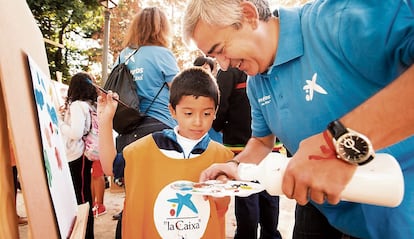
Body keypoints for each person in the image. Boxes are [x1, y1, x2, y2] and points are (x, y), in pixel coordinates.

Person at [182, 0, 414, 239]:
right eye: (212, 56)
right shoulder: (256, 84)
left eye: (220, 49)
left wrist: (335, 143)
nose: (223, 64)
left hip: (397, 208)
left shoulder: (338, 19)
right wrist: (234, 167)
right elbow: (262, 142)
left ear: (248, 15)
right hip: (324, 207)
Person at [98, 67, 234, 238]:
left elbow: (222, 206)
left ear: (215, 112)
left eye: (206, 113)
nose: (198, 121)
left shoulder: (221, 158)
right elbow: (110, 167)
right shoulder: (145, 149)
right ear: (172, 111)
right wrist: (105, 121)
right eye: (189, 113)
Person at [107, 6, 180, 228]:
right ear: (162, 28)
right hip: (159, 129)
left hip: (128, 132)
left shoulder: (124, 55)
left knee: (134, 196)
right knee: (161, 195)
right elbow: (180, 93)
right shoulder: (163, 55)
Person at [213, 67, 282, 239]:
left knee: (258, 199)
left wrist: (220, 126)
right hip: (252, 146)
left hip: (252, 144)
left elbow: (220, 105)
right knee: (259, 197)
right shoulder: (235, 69)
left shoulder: (230, 69)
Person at [58, 72, 97, 239]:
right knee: (83, 195)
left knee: (81, 198)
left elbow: (75, 133)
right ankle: (86, 234)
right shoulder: (88, 105)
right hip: (80, 156)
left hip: (76, 155)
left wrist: (58, 123)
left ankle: (85, 234)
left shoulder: (77, 106)